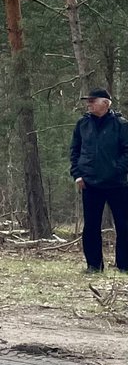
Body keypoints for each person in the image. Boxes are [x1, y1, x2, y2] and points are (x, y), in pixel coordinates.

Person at [70, 87, 128, 273]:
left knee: (124, 225)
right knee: (91, 226)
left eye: (92, 101)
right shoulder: (82, 124)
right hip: (90, 183)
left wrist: (116, 170)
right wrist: (78, 174)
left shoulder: (120, 124)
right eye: (88, 101)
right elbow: (75, 151)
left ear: (105, 103)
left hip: (117, 184)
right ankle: (94, 266)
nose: (89, 104)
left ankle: (124, 265)